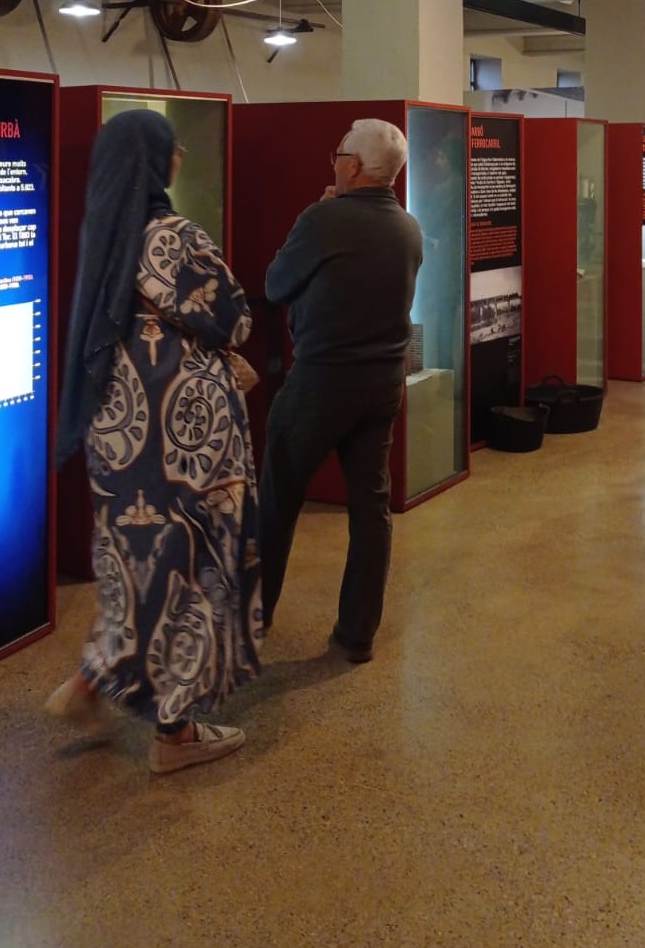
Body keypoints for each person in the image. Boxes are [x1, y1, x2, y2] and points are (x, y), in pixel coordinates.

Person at [46, 110, 261, 774]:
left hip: (119, 430)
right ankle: (177, 733)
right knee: (193, 569)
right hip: (186, 439)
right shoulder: (173, 235)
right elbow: (234, 318)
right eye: (171, 147)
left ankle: (93, 679)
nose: (181, 154)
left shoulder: (105, 234)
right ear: (152, 161)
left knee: (132, 562)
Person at [258, 118, 422, 663]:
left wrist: (318, 212)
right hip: (382, 385)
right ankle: (357, 633)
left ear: (353, 166)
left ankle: (252, 619)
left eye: (338, 154)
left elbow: (275, 284)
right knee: (371, 507)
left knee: (277, 499)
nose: (334, 161)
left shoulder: (322, 219)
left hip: (320, 383)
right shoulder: (408, 228)